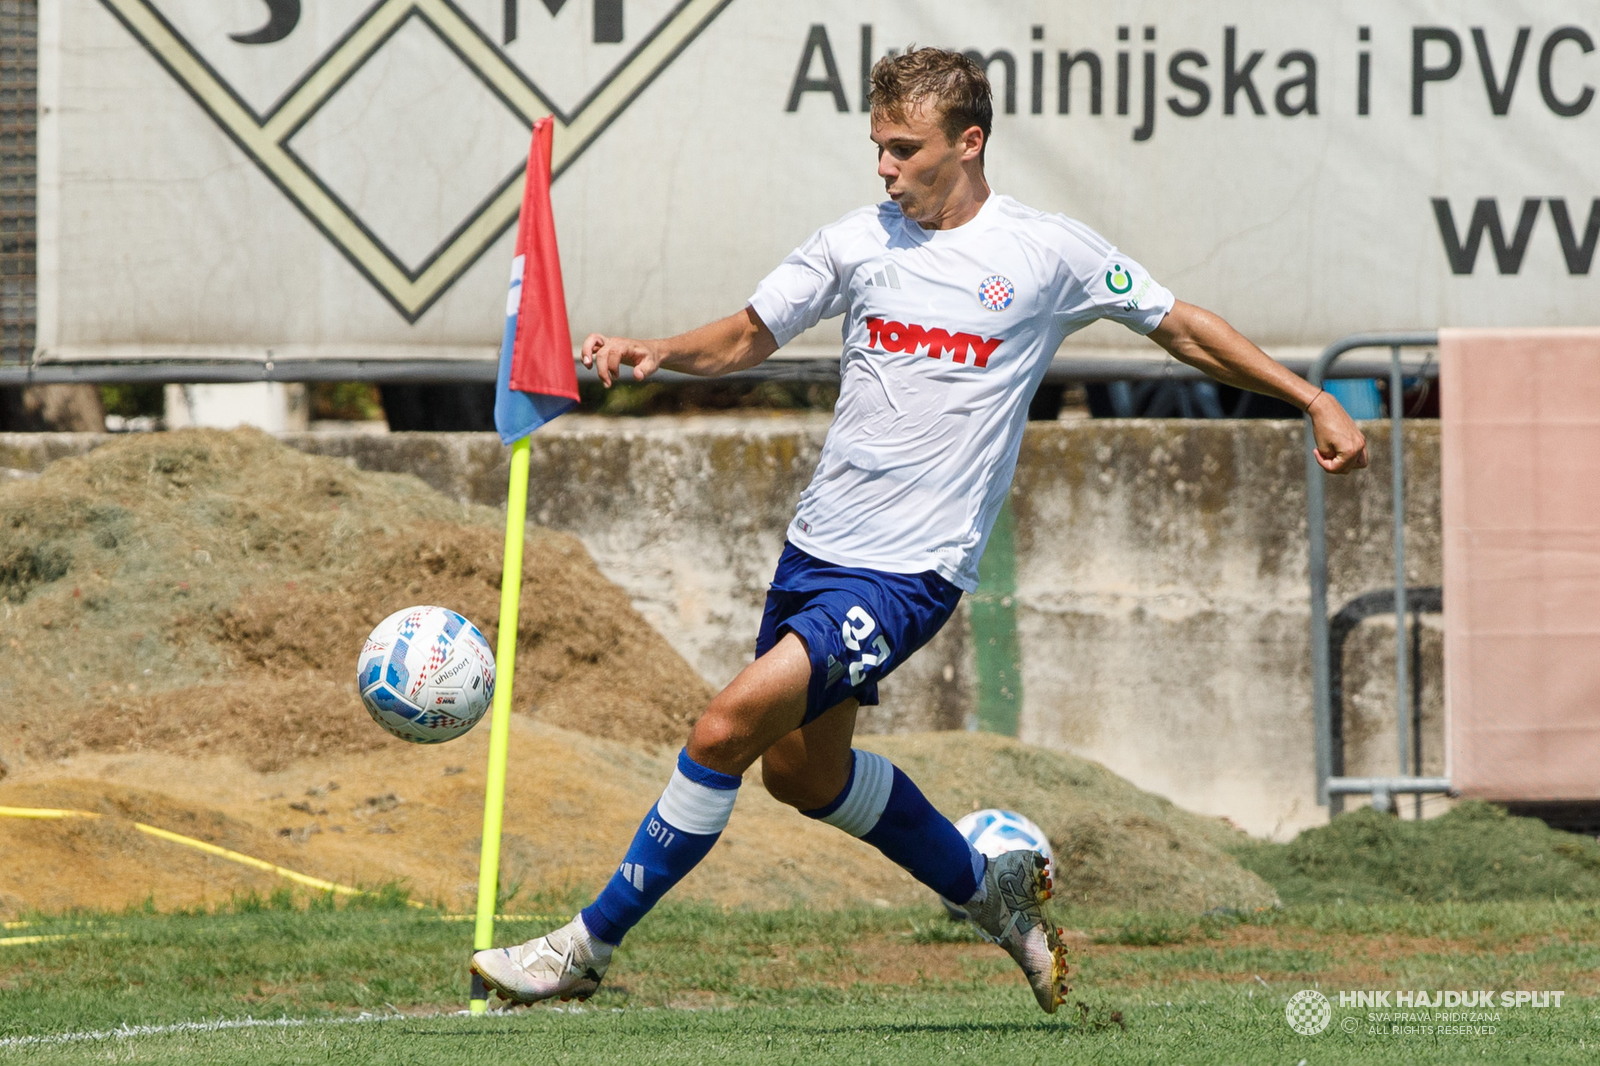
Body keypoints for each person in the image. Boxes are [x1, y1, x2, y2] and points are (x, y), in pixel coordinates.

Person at [472, 47, 1368, 1015]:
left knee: (722, 727)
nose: (884, 167)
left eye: (904, 149)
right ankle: (996, 901)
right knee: (803, 777)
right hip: (815, 551)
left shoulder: (1045, 252)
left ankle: (582, 947)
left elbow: (1180, 326)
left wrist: (1309, 396)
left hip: (909, 574)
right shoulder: (856, 241)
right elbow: (745, 334)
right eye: (878, 147)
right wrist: (658, 350)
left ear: (969, 142)